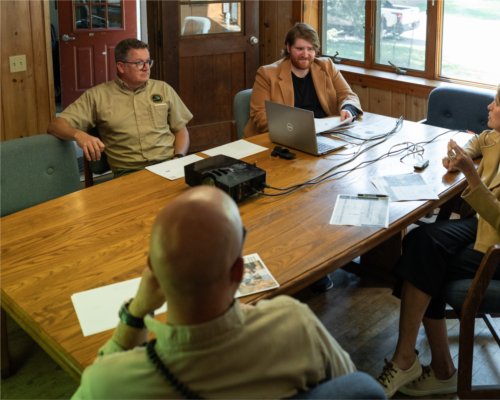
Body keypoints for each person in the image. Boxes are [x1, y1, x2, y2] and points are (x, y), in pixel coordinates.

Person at [72, 186, 356, 399]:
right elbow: (354, 387)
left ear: (151, 270)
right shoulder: (295, 325)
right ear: (238, 272)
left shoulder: (108, 383)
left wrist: (136, 313)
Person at [376, 81, 500, 398]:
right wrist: (458, 155)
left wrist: (471, 174)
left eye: (496, 103)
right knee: (421, 241)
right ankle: (432, 366)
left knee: (428, 259)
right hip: (489, 229)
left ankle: (414, 361)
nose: (489, 107)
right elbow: (478, 142)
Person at [48, 38, 193, 177]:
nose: (146, 67)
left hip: (168, 165)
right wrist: (79, 135)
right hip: (129, 172)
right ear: (121, 67)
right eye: (139, 63)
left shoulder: (163, 89)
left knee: (202, 196)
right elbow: (55, 125)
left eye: (148, 62)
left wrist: (178, 158)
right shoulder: (97, 96)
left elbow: (180, 129)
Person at [244, 22, 363, 137]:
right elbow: (260, 115)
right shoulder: (267, 73)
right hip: (285, 135)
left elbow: (348, 95)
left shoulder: (326, 66)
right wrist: (298, 129)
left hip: (324, 133)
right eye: (300, 49)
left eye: (310, 49)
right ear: (289, 48)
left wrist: (348, 109)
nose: (305, 54)